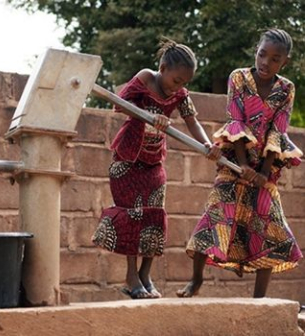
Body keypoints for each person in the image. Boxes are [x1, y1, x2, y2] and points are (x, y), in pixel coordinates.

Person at [177, 28, 303, 299]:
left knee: (270, 226)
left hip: (264, 168)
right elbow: (236, 120)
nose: (266, 63)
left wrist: (263, 172)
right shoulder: (239, 78)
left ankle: (259, 299)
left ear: (285, 62)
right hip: (234, 161)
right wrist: (243, 165)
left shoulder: (286, 90)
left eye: (275, 59)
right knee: (215, 215)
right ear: (256, 50)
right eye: (262, 54)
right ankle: (196, 280)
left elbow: (277, 132)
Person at [92, 39, 221, 299]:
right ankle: (131, 277)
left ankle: (144, 275)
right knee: (132, 214)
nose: (179, 87)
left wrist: (208, 145)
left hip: (154, 161)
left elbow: (192, 123)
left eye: (185, 82)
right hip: (127, 158)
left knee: (155, 214)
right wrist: (149, 115)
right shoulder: (145, 78)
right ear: (162, 68)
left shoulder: (180, 94)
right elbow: (119, 104)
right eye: (176, 80)